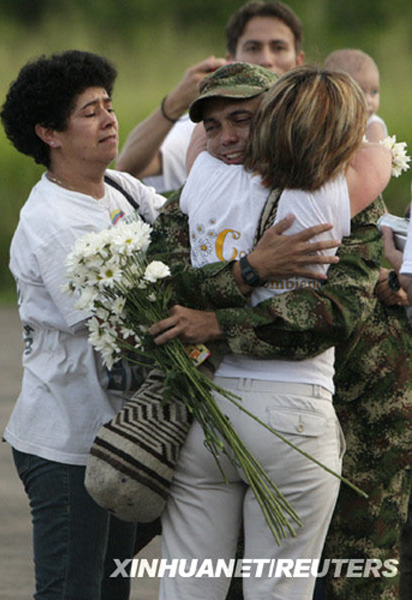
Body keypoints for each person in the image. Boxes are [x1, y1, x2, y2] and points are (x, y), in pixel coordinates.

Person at [151, 64, 391, 600]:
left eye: (242, 118)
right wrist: (249, 270)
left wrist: (215, 318)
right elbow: (333, 314)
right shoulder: (342, 191)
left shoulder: (199, 184)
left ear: (277, 113)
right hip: (290, 414)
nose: (227, 137)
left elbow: (167, 287)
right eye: (213, 126)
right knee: (278, 589)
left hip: (207, 408)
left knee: (188, 587)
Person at [0, 50, 166, 600]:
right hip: (67, 444)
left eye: (109, 105)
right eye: (90, 111)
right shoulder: (49, 220)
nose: (109, 119)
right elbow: (117, 327)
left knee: (112, 589)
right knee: (72, 590)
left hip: (121, 440)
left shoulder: (119, 188)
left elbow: (181, 239)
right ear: (48, 132)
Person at [116, 0, 304, 192]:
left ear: (299, 61)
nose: (266, 60)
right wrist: (175, 103)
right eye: (253, 48)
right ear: (231, 60)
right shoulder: (209, 125)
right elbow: (128, 168)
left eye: (278, 48)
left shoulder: (319, 121)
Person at [324, 48, 388, 143]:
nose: (369, 100)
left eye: (374, 92)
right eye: (360, 92)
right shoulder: (332, 123)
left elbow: (376, 157)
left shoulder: (372, 126)